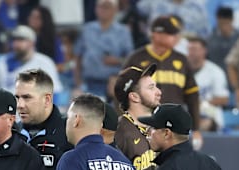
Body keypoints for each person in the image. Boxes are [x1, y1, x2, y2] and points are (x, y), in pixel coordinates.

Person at [123, 15, 202, 149]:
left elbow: (192, 97)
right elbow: (122, 94)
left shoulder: (182, 60)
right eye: (171, 34)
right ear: (156, 34)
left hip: (174, 128)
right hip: (142, 125)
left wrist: (196, 129)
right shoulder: (136, 59)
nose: (176, 37)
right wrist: (125, 124)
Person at [73, 0, 134, 99]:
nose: (103, 10)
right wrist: (78, 83)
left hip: (112, 83)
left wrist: (118, 61)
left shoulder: (123, 32)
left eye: (107, 7)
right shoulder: (87, 29)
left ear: (115, 10)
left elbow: (131, 59)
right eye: (101, 7)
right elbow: (77, 56)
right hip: (89, 82)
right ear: (96, 9)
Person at [0, 25, 63, 94]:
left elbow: (55, 91)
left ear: (32, 43)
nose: (16, 44)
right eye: (14, 40)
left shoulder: (45, 63)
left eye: (21, 40)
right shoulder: (3, 61)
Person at [187, 36, 230, 131]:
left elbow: (224, 99)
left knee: (204, 124)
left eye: (194, 49)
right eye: (189, 49)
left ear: (204, 51)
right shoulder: (181, 70)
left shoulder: (215, 71)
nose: (191, 52)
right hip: (186, 113)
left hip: (208, 113)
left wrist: (202, 103)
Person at [206, 7, 239, 73]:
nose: (224, 27)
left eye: (226, 23)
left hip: (234, 75)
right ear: (217, 20)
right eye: (221, 23)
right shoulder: (209, 39)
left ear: (232, 21)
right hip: (215, 74)